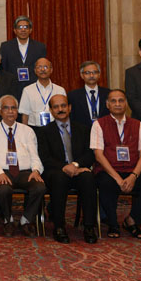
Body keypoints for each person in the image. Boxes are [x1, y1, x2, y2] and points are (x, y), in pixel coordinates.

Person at [91, 89, 141, 239]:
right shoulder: (98, 124)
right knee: (105, 183)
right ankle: (113, 224)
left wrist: (133, 176)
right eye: (113, 101)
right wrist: (118, 179)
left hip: (133, 170)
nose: (117, 104)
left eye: (121, 101)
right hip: (109, 170)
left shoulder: (138, 125)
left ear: (126, 104)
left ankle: (132, 220)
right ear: (107, 104)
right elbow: (98, 155)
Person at [36, 94, 98, 244]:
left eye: (63, 106)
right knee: (59, 178)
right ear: (51, 110)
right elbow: (44, 157)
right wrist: (65, 167)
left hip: (78, 169)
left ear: (69, 108)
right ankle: (59, 227)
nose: (60, 109)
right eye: (56, 107)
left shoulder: (83, 129)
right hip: (55, 171)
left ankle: (89, 226)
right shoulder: (44, 132)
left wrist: (75, 165)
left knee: (88, 177)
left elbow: (90, 153)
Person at [0, 96, 45, 236]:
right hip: (1, 171)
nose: (10, 111)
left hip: (24, 172)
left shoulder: (27, 131)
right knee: (3, 190)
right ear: (0, 111)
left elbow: (35, 155)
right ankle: (8, 220)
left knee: (39, 187)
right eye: (6, 108)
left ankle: (26, 220)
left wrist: (36, 170)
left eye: (14, 108)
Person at [0, 16, 47, 97]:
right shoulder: (5, 47)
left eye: (26, 27)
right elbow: (3, 68)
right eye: (20, 27)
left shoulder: (40, 47)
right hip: (12, 88)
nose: (23, 30)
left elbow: (42, 68)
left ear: (30, 30)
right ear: (15, 30)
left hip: (34, 88)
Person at [18, 58, 65, 127]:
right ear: (35, 70)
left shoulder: (60, 90)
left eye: (45, 67)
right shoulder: (27, 90)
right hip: (35, 129)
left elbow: (64, 113)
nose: (43, 70)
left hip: (55, 128)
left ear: (51, 70)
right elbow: (25, 115)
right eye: (39, 67)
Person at [68, 61, 110, 126]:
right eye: (87, 73)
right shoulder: (73, 96)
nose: (91, 75)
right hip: (82, 133)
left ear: (99, 74)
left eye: (95, 72)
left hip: (104, 131)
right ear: (82, 75)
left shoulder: (108, 94)